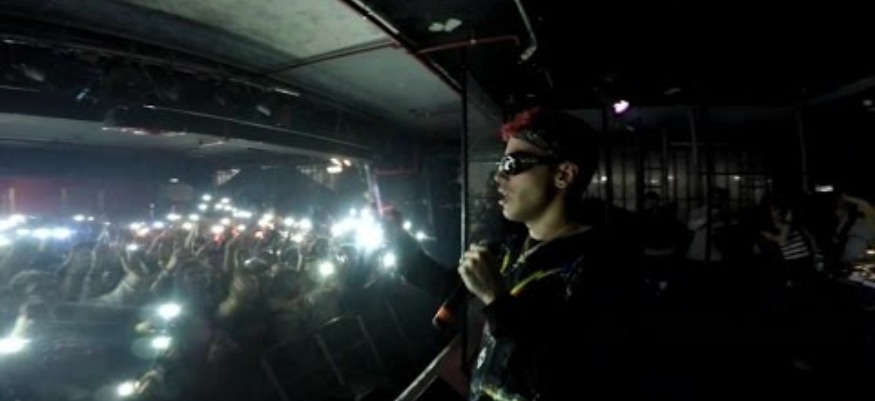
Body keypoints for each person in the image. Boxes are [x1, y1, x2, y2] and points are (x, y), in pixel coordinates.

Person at [456, 107, 643, 401]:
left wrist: (497, 301)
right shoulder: (512, 245)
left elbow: (565, 376)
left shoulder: (604, 268)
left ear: (563, 175)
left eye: (512, 164)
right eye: (500, 164)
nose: (499, 177)